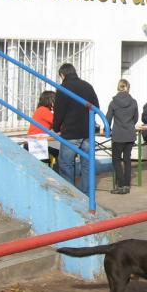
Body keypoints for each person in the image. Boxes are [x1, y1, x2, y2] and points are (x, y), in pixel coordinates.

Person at [53, 63, 100, 195]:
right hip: (87, 132)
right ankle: (87, 194)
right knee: (87, 164)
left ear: (62, 75)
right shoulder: (87, 86)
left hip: (71, 132)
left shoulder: (63, 88)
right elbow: (96, 106)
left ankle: (70, 194)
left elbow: (59, 111)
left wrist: (56, 127)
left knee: (66, 164)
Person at [105, 79, 138, 194]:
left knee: (116, 160)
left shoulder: (113, 103)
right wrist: (129, 125)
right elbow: (136, 119)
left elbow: (108, 119)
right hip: (130, 134)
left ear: (118, 87)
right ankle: (127, 185)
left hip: (118, 135)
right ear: (128, 88)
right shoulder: (133, 102)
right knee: (127, 160)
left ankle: (121, 184)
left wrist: (106, 129)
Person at [27, 90, 57, 165]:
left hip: (38, 140)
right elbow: (57, 122)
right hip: (36, 142)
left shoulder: (41, 110)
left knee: (58, 153)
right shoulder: (43, 110)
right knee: (60, 155)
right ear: (50, 101)